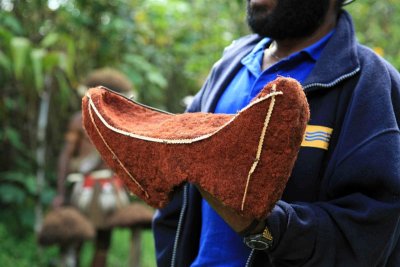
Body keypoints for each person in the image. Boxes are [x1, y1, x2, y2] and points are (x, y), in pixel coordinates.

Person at [153, 0, 400, 266]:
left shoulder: (369, 84)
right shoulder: (229, 65)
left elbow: (370, 232)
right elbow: (177, 193)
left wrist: (261, 227)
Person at [53, 68, 134, 267]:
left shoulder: (120, 123)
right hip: (83, 188)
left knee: (103, 242)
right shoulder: (79, 119)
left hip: (107, 189)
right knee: (76, 236)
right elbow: (65, 156)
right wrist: (61, 193)